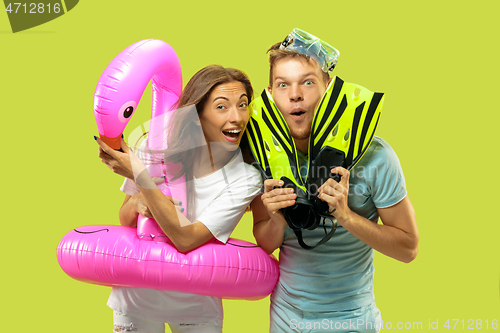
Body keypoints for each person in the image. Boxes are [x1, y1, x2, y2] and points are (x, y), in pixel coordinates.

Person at [250, 28, 419, 332]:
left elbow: (408, 249)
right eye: (282, 84)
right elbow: (264, 241)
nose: (295, 94)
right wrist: (277, 221)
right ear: (271, 92)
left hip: (354, 322)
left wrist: (345, 216)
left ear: (328, 86)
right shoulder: (261, 156)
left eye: (308, 82)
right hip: (286, 323)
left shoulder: (376, 156)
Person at [95, 65, 263, 333]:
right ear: (197, 114)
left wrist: (141, 177)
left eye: (243, 105)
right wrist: (138, 202)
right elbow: (125, 219)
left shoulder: (245, 177)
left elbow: (186, 239)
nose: (237, 117)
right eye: (222, 107)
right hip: (135, 299)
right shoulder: (154, 146)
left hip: (196, 306)